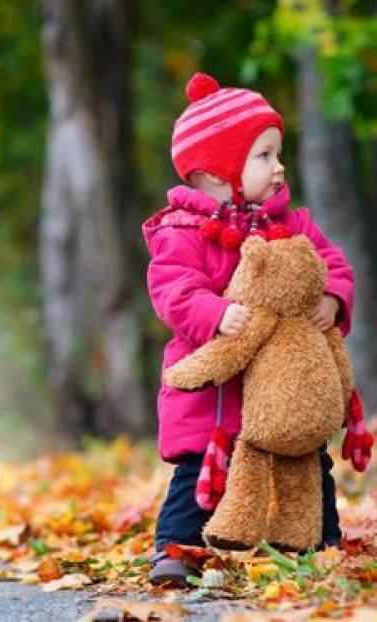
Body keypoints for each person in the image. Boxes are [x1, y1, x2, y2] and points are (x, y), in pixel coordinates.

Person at [141, 72, 360, 587]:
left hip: (281, 390)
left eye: (277, 154)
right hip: (213, 395)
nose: (279, 168)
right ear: (215, 172)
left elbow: (334, 264)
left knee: (308, 463)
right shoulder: (183, 232)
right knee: (199, 475)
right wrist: (215, 315)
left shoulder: (291, 225)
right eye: (263, 156)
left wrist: (332, 298)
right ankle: (176, 550)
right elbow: (172, 289)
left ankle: (317, 542)